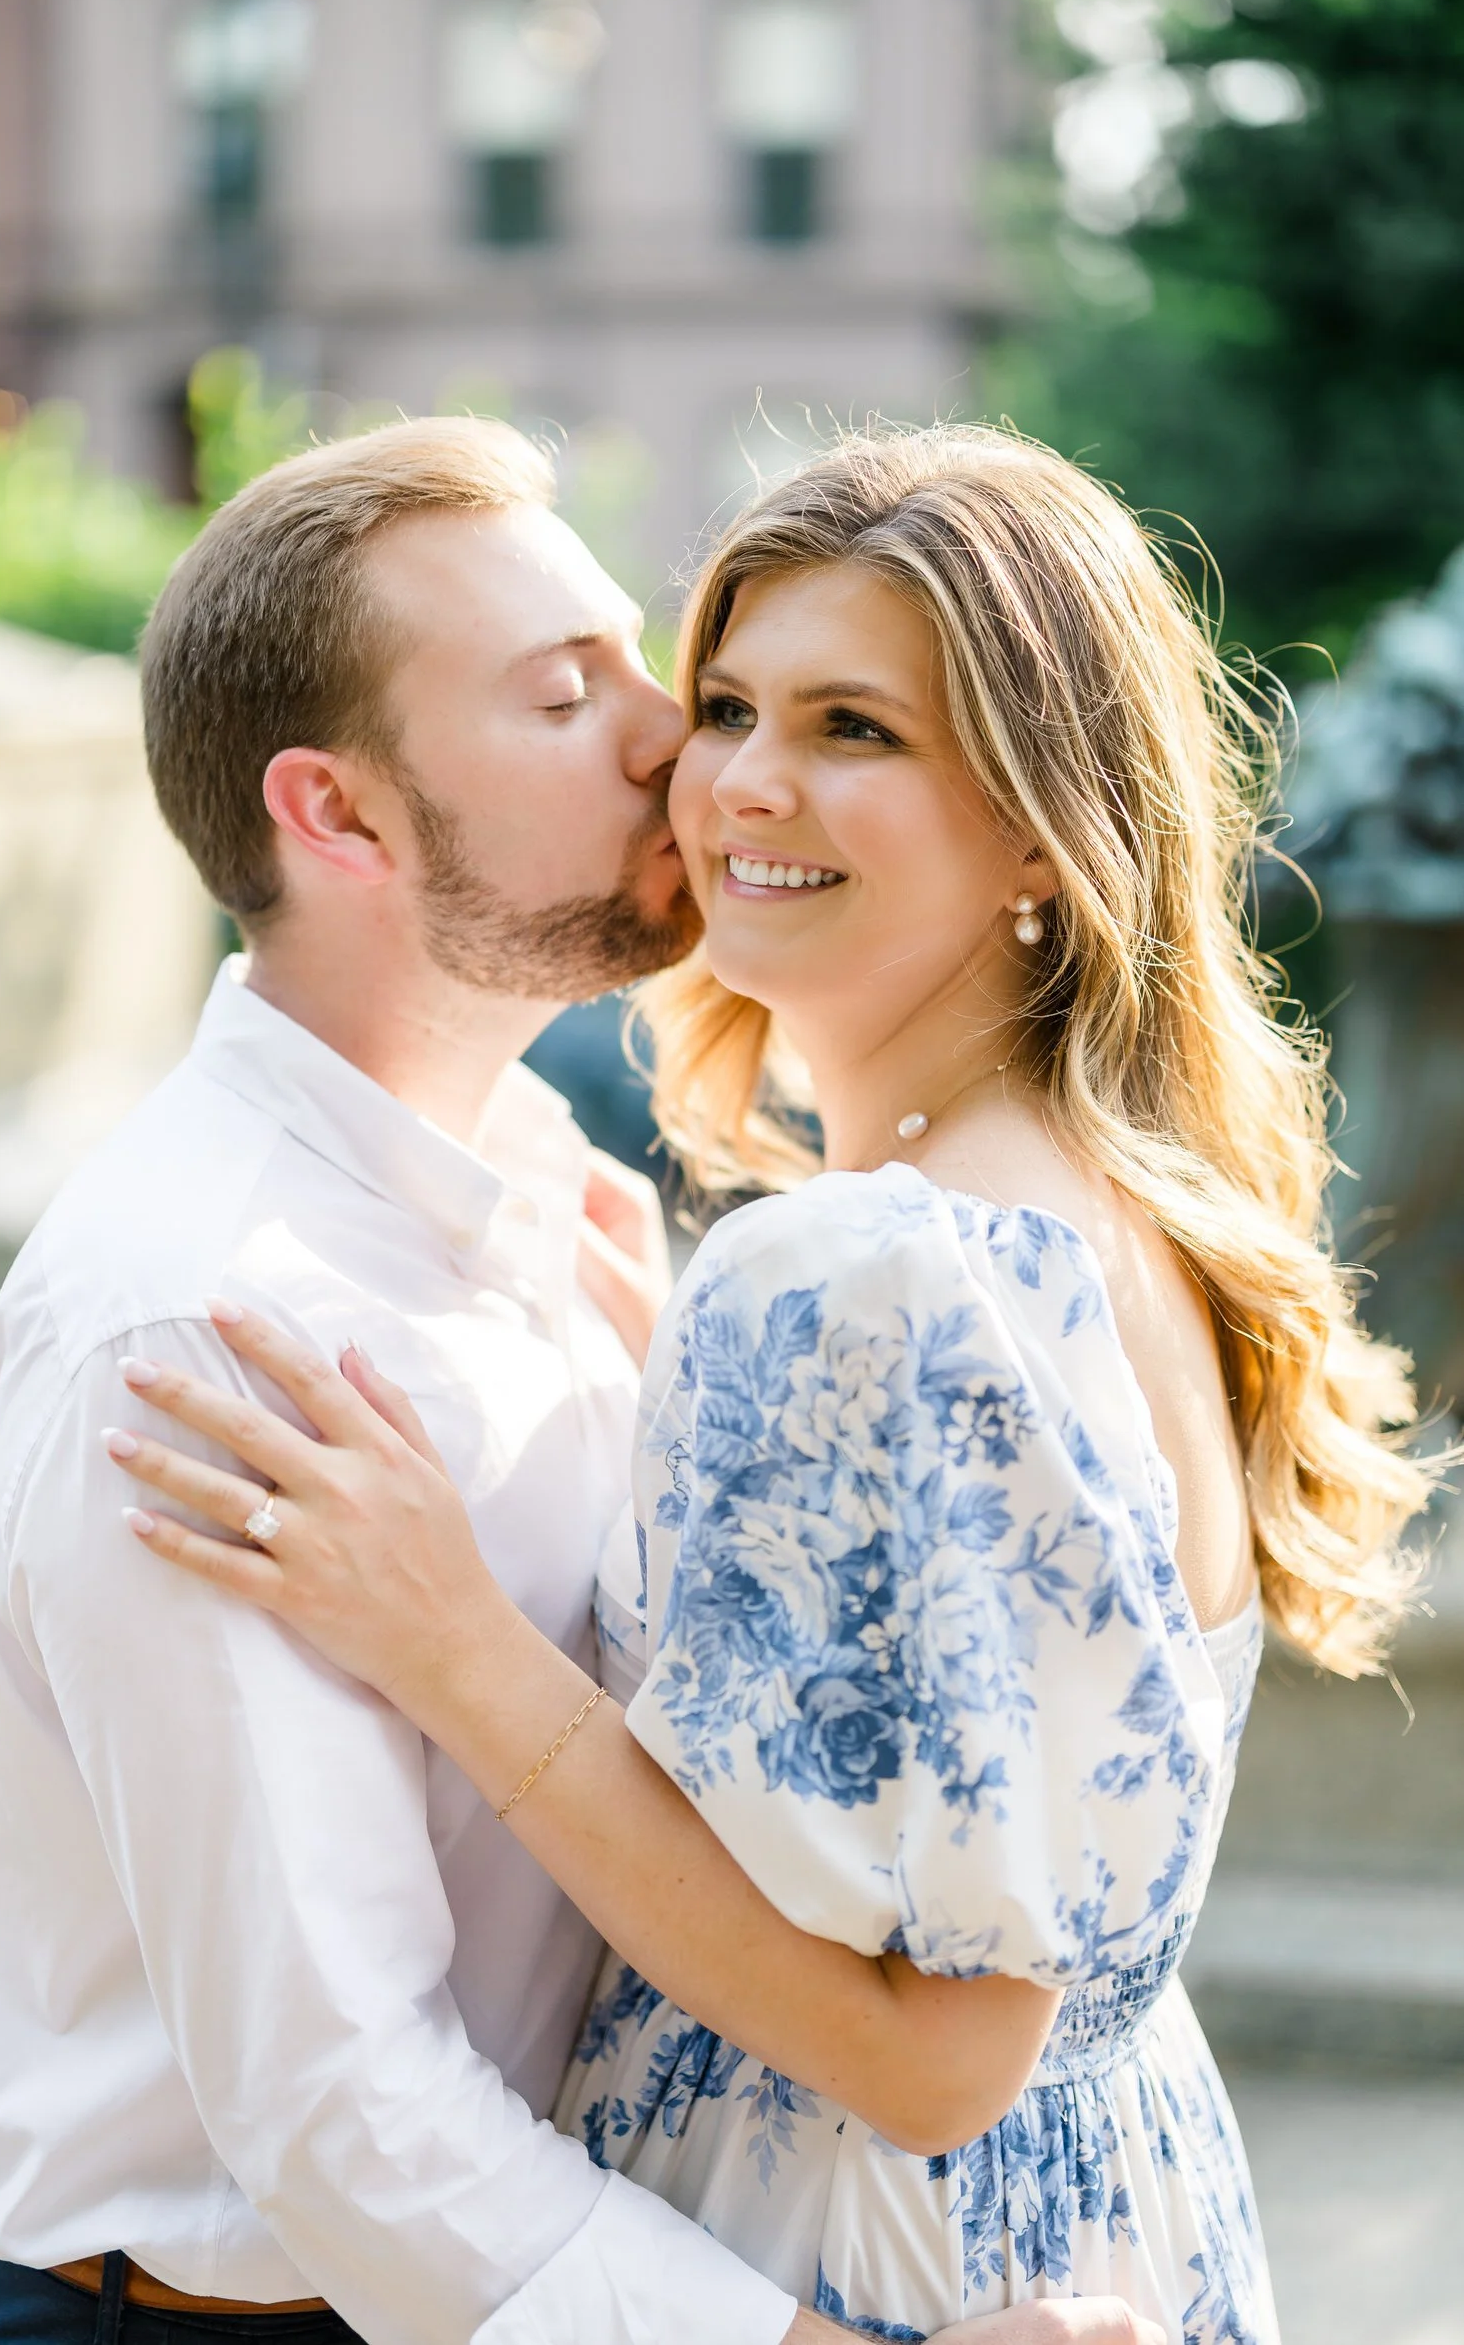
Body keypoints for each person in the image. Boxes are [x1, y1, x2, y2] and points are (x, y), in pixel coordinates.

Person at [112, 427, 1431, 2343]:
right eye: (727, 700)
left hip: (844, 2242)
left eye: (856, 730)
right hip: (1096, 2211)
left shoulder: (874, 1276)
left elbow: (938, 2052)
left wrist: (460, 1649)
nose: (730, 778)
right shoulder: (1090, 1213)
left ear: (1047, 831)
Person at [0, 418, 1149, 2345]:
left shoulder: (561, 1219)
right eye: (573, 698)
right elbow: (340, 2115)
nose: (680, 743)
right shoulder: (207, 1339)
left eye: (649, 669)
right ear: (343, 818)